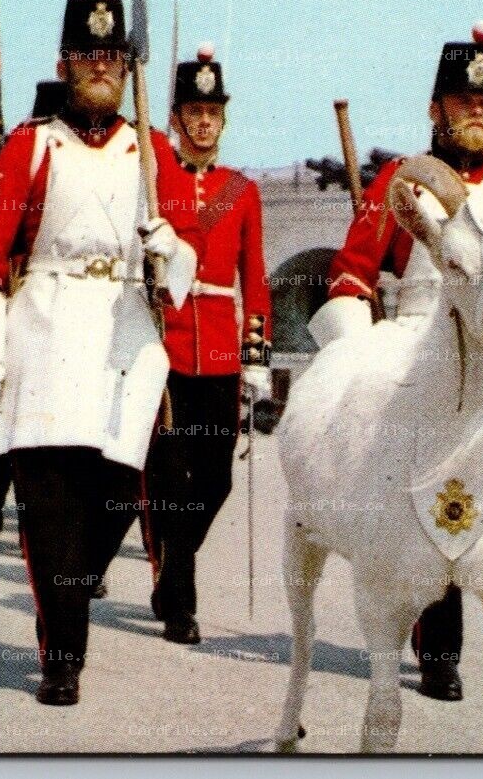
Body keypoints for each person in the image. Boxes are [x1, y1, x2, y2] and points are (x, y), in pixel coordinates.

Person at [0, 0, 202, 706]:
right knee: (51, 505)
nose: (101, 68)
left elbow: (188, 266)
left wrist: (168, 244)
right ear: (64, 64)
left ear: (127, 68)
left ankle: (69, 593)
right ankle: (62, 653)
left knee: (115, 498)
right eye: (87, 55)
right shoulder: (32, 146)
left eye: (112, 56)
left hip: (125, 335)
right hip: (49, 331)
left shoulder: (153, 150)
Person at [306, 20, 483, 704]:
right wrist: (355, 357)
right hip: (418, 345)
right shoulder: (402, 182)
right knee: (430, 496)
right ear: (435, 109)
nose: (476, 112)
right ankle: (437, 647)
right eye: (462, 102)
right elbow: (352, 275)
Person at [145, 42, 272, 644]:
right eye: (192, 111)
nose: (203, 121)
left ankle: (171, 568)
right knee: (172, 482)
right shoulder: (158, 174)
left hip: (220, 352)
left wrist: (256, 353)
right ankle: (181, 604)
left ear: (223, 119)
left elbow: (256, 277)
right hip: (166, 349)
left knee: (215, 480)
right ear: (176, 119)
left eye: (212, 112)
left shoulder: (241, 191)